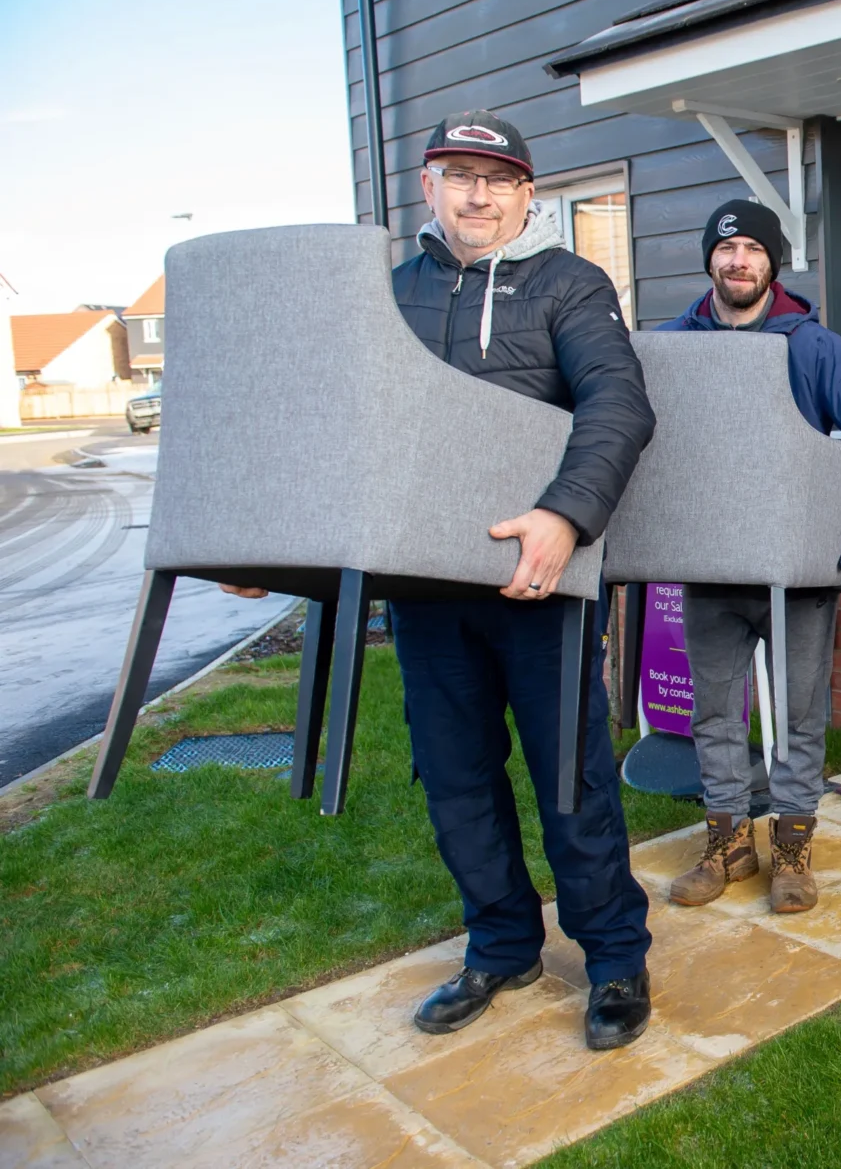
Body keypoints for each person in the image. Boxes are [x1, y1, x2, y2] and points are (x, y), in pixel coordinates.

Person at [224, 109, 657, 1050]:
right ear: (428, 186)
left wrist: (565, 515)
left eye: (497, 179)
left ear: (527, 194)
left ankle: (616, 956)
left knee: (570, 781)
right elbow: (336, 425)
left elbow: (619, 405)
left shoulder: (571, 286)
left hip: (539, 586)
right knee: (455, 780)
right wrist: (265, 543)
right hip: (424, 595)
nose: (477, 193)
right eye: (459, 175)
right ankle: (501, 943)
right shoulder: (387, 296)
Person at [656, 200, 841, 913]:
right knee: (714, 714)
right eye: (727, 247)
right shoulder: (678, 345)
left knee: (798, 716)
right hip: (710, 568)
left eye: (753, 249)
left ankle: (793, 850)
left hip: (797, 571)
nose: (739, 260)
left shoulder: (812, 346)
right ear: (710, 257)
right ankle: (728, 844)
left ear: (773, 261)